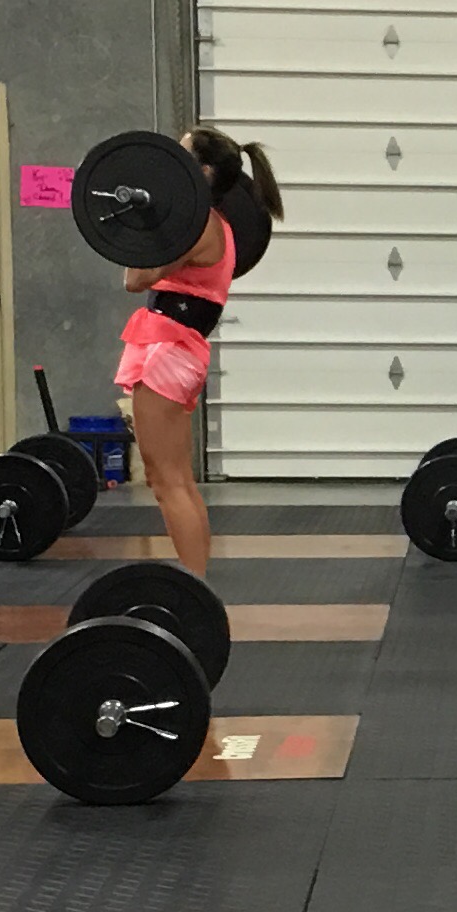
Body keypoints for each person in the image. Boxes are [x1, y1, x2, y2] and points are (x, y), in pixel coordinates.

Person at [114, 126, 274, 579]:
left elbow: (135, 279)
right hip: (178, 351)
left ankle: (194, 588)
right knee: (178, 481)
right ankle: (198, 584)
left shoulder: (197, 225)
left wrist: (141, 220)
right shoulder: (216, 224)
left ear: (201, 171)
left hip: (168, 351)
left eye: (180, 153)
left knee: (166, 483)